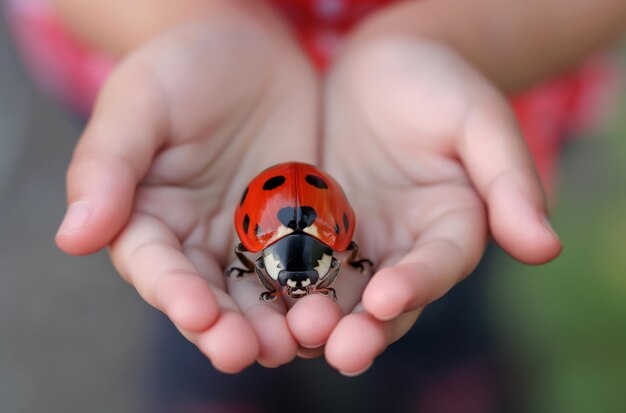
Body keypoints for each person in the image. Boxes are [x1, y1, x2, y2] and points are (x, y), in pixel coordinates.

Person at [5, 0, 623, 410]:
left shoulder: (276, 241)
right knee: (189, 275)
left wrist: (448, 41)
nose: (300, 283)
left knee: (428, 279)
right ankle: (213, 373)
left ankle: (441, 355)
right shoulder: (321, 237)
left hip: (467, 98)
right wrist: (190, 24)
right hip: (158, 60)